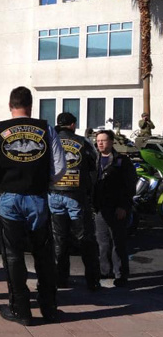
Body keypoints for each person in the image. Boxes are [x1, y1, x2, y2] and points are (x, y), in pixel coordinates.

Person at [0, 86, 66, 326]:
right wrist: (44, 182)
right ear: (31, 105)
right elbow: (60, 167)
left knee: (13, 255)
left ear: (10, 106)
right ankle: (49, 307)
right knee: (44, 254)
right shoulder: (46, 128)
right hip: (38, 198)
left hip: (9, 197)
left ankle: (21, 309)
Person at [48, 112, 101, 291]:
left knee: (59, 239)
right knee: (85, 237)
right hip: (75, 195)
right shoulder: (82, 142)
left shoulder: (50, 141)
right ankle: (92, 280)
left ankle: (60, 279)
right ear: (72, 125)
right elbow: (93, 164)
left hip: (54, 193)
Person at [94, 130, 137, 287]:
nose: (100, 143)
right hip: (100, 208)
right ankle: (105, 271)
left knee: (118, 243)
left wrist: (124, 206)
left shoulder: (122, 161)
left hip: (117, 207)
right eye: (98, 140)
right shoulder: (94, 160)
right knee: (103, 242)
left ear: (111, 142)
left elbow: (129, 186)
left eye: (103, 140)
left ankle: (121, 275)